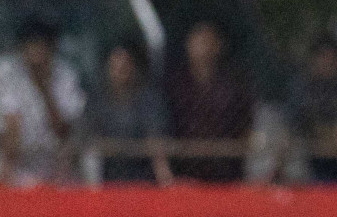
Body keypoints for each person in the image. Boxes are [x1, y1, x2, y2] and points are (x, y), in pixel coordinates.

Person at [0, 17, 85, 186]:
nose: (35, 52)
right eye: (31, 46)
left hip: (60, 169)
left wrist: (44, 88)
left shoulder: (66, 76)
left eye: (40, 46)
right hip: (23, 171)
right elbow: (11, 124)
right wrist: (5, 171)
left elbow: (63, 131)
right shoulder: (12, 75)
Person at [166, 21, 253, 183]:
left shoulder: (234, 83)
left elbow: (245, 125)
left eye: (207, 41)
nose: (203, 48)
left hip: (226, 169)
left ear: (219, 46)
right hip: (185, 169)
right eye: (198, 41)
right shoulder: (175, 84)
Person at [86, 41, 173, 186]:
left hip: (143, 178)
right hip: (106, 177)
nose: (120, 71)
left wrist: (165, 180)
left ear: (134, 67)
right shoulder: (97, 102)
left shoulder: (149, 100)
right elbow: (86, 139)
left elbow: (156, 143)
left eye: (125, 66)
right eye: (115, 67)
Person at [290, 37, 337, 185]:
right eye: (323, 57)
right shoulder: (303, 88)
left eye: (332, 58)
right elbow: (293, 127)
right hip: (311, 158)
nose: (327, 63)